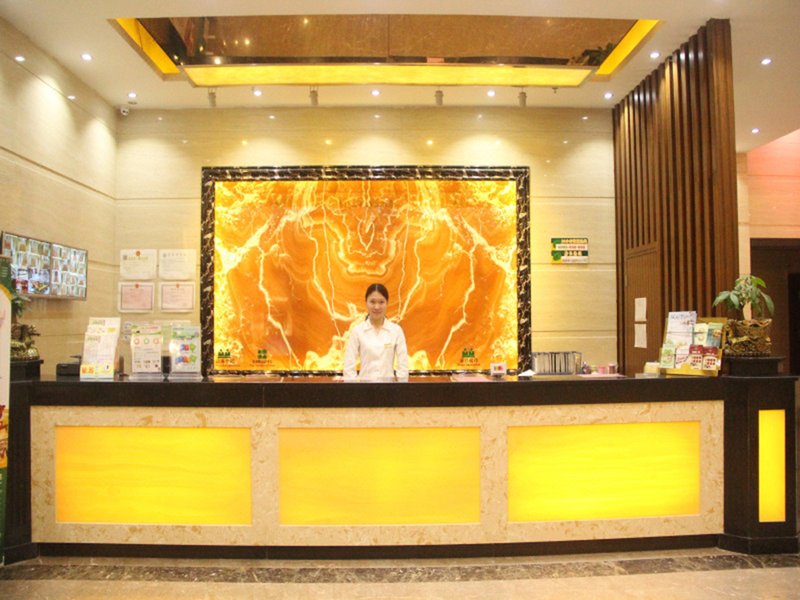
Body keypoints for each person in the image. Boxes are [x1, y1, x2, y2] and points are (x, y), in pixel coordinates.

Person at [343, 283, 409, 381]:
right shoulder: (357, 331)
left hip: (389, 388)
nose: (377, 307)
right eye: (372, 302)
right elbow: (349, 366)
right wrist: (352, 388)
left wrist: (401, 387)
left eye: (381, 302)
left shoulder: (396, 331)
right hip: (364, 388)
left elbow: (403, 366)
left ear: (387, 303)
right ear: (366, 302)